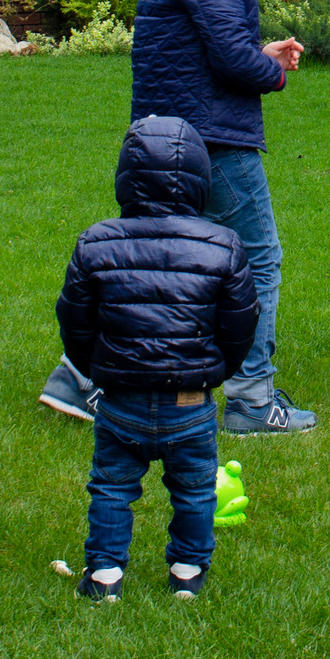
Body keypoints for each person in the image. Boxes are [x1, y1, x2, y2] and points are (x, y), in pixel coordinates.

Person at [38, 0, 313, 436]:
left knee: (153, 257)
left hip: (164, 141)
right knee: (256, 258)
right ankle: (249, 398)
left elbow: (205, 45)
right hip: (211, 142)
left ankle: (79, 378)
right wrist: (272, 71)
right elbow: (230, 58)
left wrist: (252, 52)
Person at [56, 115, 260, 602]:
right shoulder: (222, 245)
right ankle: (188, 573)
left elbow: (75, 323)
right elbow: (240, 325)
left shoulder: (96, 241)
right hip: (190, 401)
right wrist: (212, 371)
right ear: (200, 179)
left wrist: (100, 368)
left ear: (125, 175)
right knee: (193, 490)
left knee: (110, 487)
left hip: (120, 398)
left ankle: (105, 576)